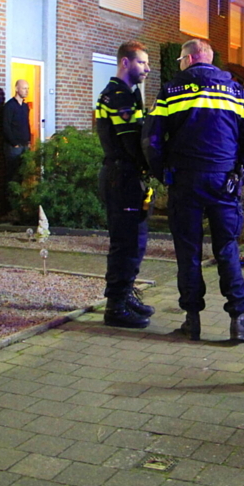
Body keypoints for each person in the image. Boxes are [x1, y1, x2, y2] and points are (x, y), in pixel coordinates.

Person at [145, 39, 244, 342]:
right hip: (224, 181)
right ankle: (239, 320)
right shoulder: (237, 91)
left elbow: (152, 140)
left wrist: (165, 174)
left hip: (185, 181)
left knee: (189, 252)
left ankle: (192, 320)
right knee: (227, 248)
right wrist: (242, 173)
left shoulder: (170, 91)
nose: (179, 63)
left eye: (182, 59)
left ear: (191, 59)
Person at [95, 41, 153, 329]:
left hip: (125, 176)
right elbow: (132, 143)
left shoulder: (125, 94)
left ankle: (125, 294)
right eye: (142, 63)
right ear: (125, 63)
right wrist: (154, 164)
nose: (148, 68)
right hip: (123, 177)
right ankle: (115, 306)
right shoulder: (120, 97)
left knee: (136, 241)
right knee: (126, 243)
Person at [3, 79, 31, 180]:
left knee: (22, 173)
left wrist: (28, 140)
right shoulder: (10, 106)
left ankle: (20, 195)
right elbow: (6, 126)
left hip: (24, 145)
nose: (26, 91)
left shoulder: (25, 106)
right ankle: (10, 195)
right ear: (16, 89)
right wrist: (14, 143)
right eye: (24, 88)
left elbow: (26, 123)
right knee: (12, 173)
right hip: (14, 147)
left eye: (28, 89)